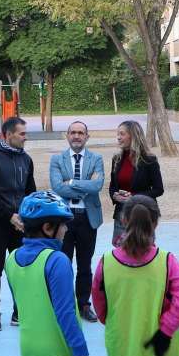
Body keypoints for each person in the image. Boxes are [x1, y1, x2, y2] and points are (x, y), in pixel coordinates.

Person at [92, 195, 179, 356]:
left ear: (123, 220)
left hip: (127, 345)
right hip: (166, 347)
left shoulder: (107, 262)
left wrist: (116, 322)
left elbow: (100, 304)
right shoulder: (166, 260)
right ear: (155, 223)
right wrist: (164, 332)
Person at [5, 191, 89, 356]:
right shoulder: (57, 260)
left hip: (31, 352)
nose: (66, 229)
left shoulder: (11, 259)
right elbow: (65, 312)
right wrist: (80, 350)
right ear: (48, 227)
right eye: (63, 225)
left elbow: (24, 304)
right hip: (59, 354)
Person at [0, 116, 37, 331]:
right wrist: (9, 215)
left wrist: (25, 217)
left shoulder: (27, 160)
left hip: (20, 224)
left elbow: (30, 192)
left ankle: (18, 310)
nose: (25, 137)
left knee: (19, 268)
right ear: (9, 134)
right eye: (22, 134)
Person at [49, 120, 105, 323]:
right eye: (73, 132)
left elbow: (97, 185)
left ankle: (83, 304)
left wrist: (71, 182)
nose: (76, 136)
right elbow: (57, 187)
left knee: (84, 265)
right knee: (63, 265)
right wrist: (85, 185)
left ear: (87, 136)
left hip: (88, 219)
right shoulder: (57, 160)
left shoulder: (96, 159)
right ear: (67, 135)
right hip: (64, 219)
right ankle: (65, 305)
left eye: (81, 133)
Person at [108, 120, 164, 245]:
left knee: (143, 250)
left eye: (122, 134)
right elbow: (112, 186)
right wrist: (114, 196)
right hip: (121, 213)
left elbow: (158, 189)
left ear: (133, 136)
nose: (118, 137)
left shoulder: (149, 160)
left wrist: (134, 197)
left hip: (143, 214)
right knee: (120, 250)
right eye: (118, 134)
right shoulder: (116, 159)